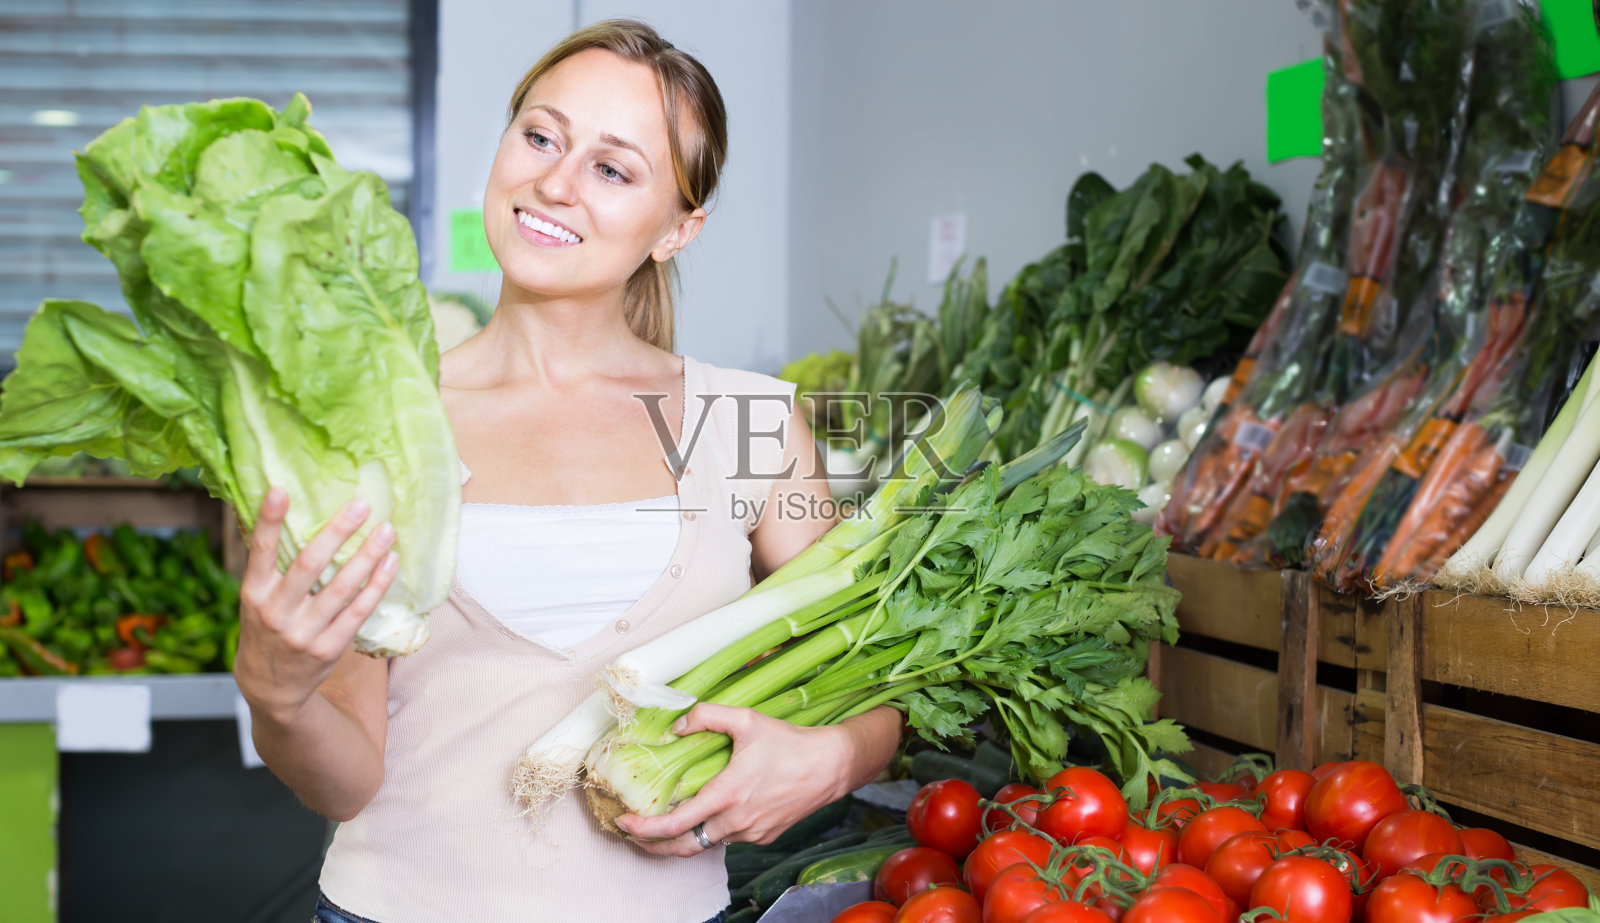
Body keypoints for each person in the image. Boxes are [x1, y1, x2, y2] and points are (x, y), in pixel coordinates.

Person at [230, 18, 904, 923]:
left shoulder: (747, 419)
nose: (553, 181)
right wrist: (276, 695)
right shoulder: (383, 420)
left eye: (612, 168)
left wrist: (837, 757)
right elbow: (346, 779)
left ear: (677, 227)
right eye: (541, 136)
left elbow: (879, 684)